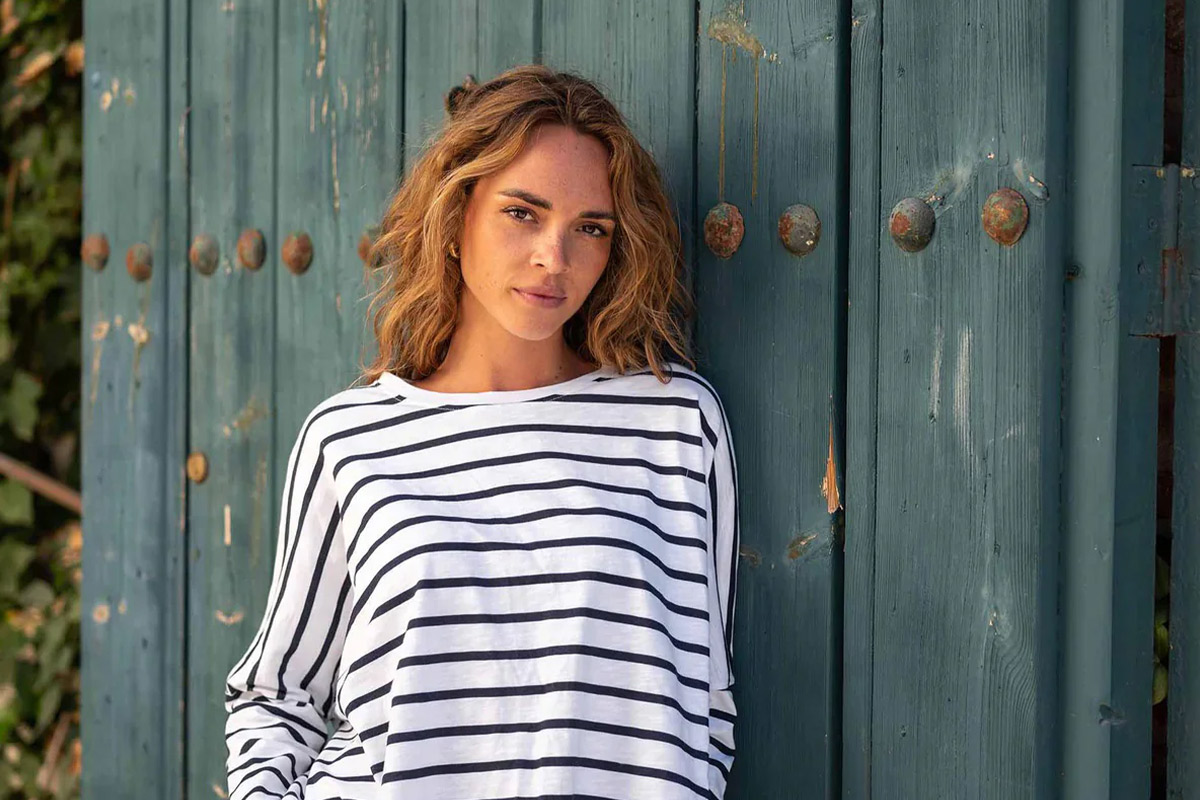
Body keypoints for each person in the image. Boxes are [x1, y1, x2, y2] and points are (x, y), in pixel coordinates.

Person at [223, 64, 741, 800]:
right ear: (456, 216)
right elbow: (277, 698)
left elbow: (706, 702)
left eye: (589, 228)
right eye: (523, 213)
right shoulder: (350, 439)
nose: (552, 259)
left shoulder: (673, 420)